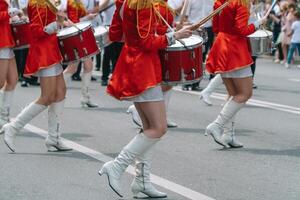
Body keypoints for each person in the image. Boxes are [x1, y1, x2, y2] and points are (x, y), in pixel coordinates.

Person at [98, 0, 192, 198]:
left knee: (149, 127)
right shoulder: (144, 4)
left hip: (132, 62)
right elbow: (146, 42)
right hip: (143, 68)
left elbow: (115, 34)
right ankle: (117, 166)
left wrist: (157, 33)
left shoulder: (124, 2)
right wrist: (173, 36)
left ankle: (142, 181)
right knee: (159, 128)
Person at [1, 0, 72, 152]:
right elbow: (35, 31)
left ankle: (54, 138)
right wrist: (55, 26)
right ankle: (13, 128)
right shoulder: (36, 3)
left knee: (60, 93)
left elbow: (51, 21)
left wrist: (62, 22)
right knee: (47, 97)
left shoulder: (48, 2)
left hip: (52, 49)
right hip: (44, 52)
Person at [205, 0, 266, 148]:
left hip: (221, 44)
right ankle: (216, 125)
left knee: (234, 94)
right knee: (245, 94)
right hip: (234, 49)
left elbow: (216, 27)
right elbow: (241, 30)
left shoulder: (220, 1)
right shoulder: (240, 2)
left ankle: (228, 134)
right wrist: (258, 23)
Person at [63, 0, 99, 108]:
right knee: (73, 68)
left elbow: (80, 17)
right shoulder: (71, 2)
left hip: (79, 36)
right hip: (75, 37)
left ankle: (85, 97)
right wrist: (88, 18)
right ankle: (54, 91)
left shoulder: (77, 2)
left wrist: (89, 15)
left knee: (87, 66)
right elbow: (74, 21)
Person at [0, 0, 21, 129]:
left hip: (7, 39)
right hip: (1, 40)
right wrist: (10, 13)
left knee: (13, 80)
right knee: (0, 82)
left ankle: (4, 117)